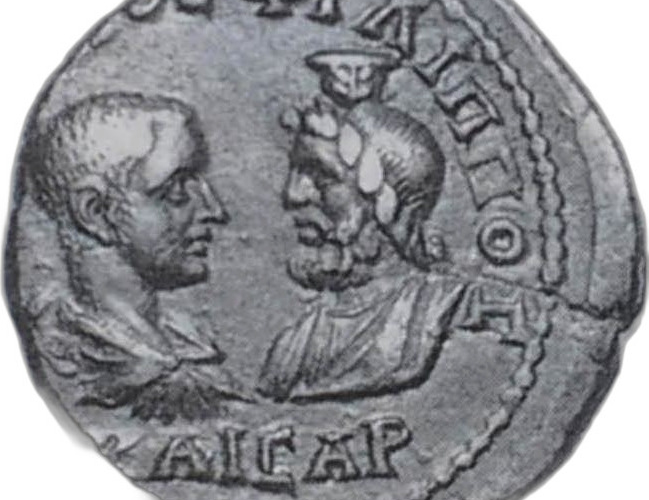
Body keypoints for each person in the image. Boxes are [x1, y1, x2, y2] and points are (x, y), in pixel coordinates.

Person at [28, 92, 249, 423]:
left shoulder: (190, 341)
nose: (214, 210)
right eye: (176, 191)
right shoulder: (62, 352)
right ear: (95, 212)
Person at [258, 99, 466, 402]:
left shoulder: (442, 309)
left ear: (384, 203)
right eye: (296, 173)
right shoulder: (290, 350)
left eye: (321, 177)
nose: (292, 194)